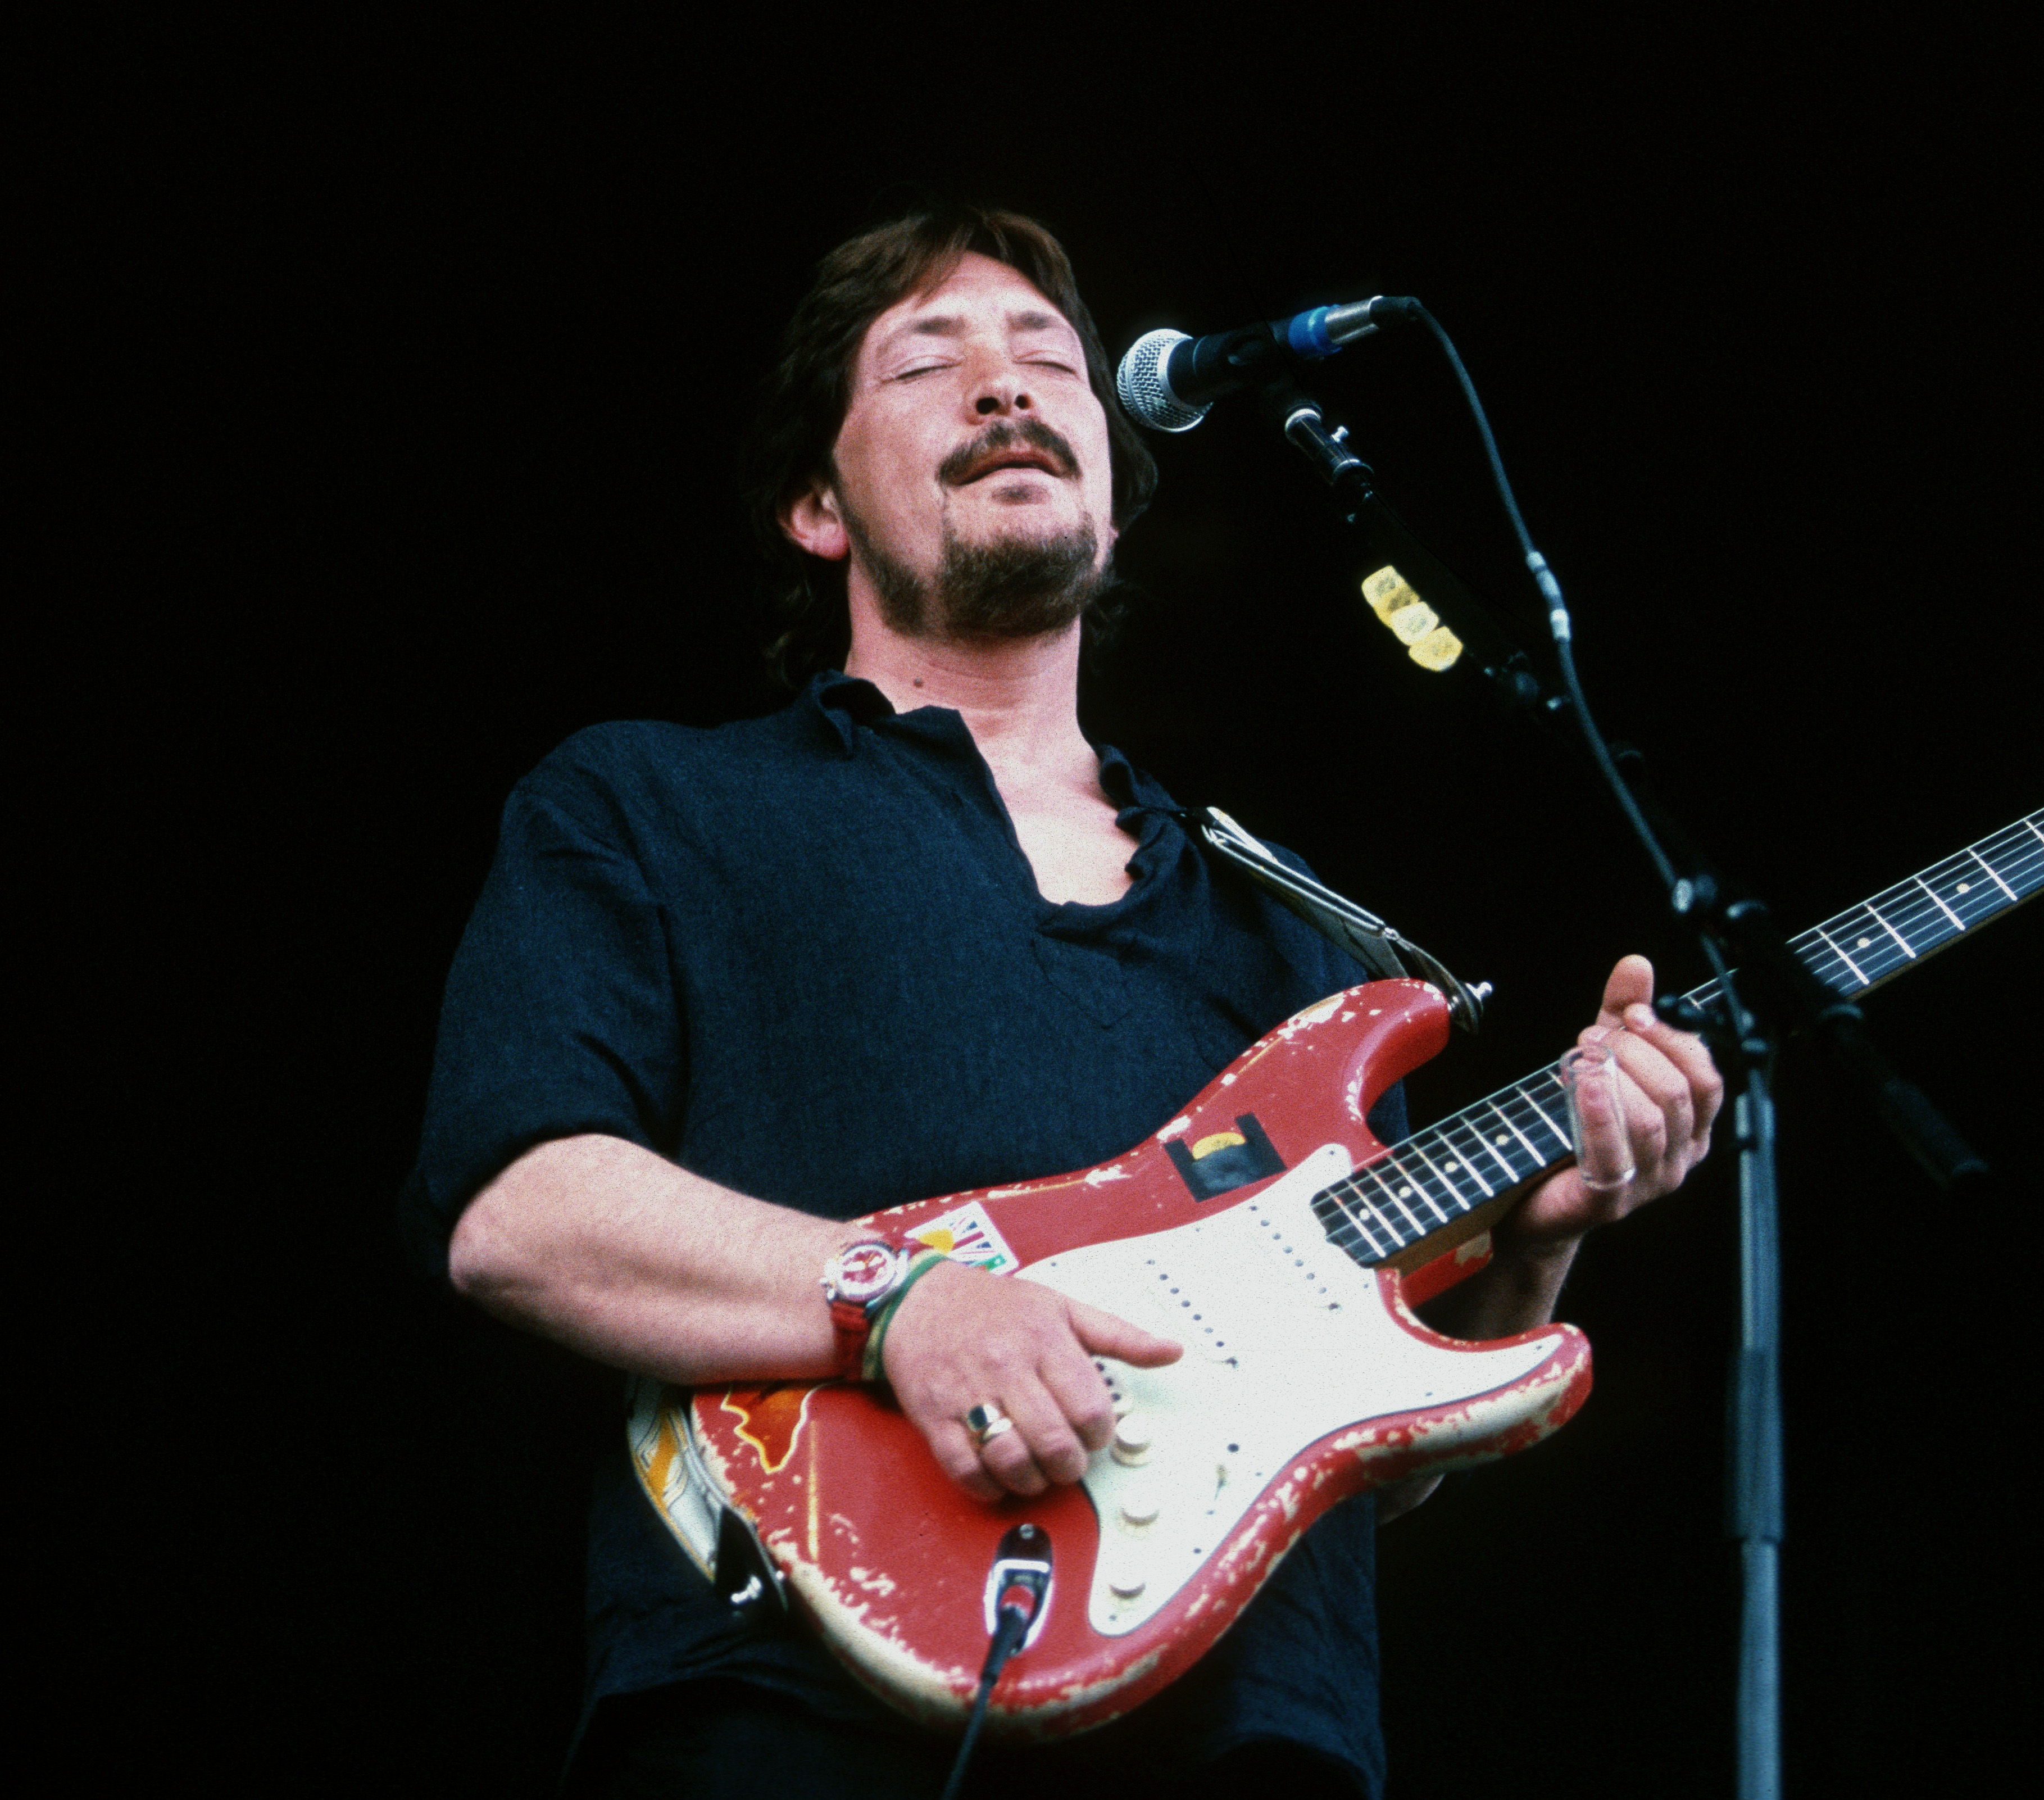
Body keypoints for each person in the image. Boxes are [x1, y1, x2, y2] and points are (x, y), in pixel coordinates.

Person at [403, 203, 1724, 1800]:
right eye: (928, 360)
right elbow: (523, 1211)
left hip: (1255, 1734)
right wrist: (896, 1298)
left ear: (1112, 492)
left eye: (1049, 361)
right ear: (816, 503)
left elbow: (1366, 1463)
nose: (1006, 389)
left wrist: (1542, 1234)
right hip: (797, 1702)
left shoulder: (1305, 930)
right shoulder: (650, 803)